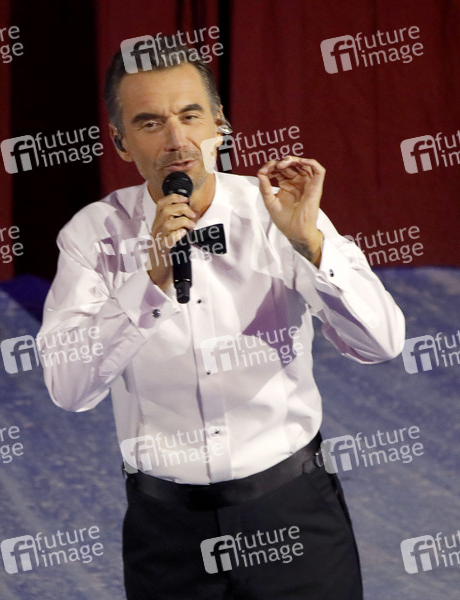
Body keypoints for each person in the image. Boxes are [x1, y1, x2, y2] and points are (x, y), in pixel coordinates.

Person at [36, 38, 405, 599]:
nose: (177, 140)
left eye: (191, 116)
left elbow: (383, 342)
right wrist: (150, 281)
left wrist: (310, 245)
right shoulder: (94, 235)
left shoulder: (277, 211)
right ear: (120, 141)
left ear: (220, 125)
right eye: (150, 123)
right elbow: (69, 388)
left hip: (293, 517)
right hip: (167, 534)